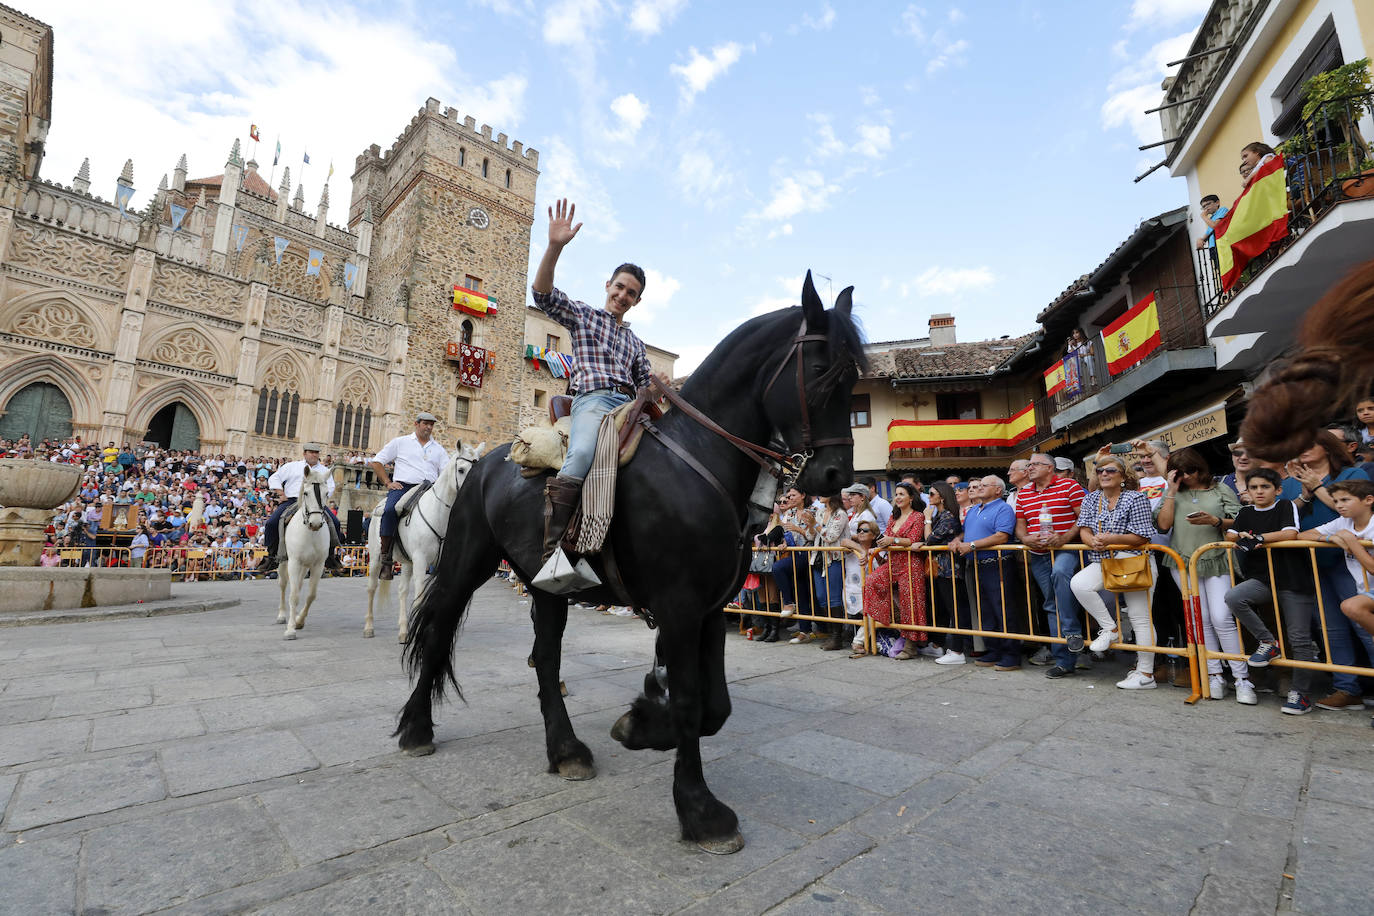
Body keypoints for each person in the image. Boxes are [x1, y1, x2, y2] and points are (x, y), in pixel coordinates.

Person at [531, 198, 656, 562]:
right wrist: (554, 246)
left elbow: (645, 383)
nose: (622, 295)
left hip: (631, 406)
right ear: (608, 285)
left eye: (631, 293)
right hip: (593, 400)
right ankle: (553, 549)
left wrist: (658, 385)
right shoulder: (586, 316)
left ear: (637, 300)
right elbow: (543, 296)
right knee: (583, 452)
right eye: (619, 287)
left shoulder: (635, 342)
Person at [1155, 448, 1251, 703]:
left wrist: (1215, 521)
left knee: (1222, 617)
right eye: (1180, 472)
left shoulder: (1220, 489)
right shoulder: (1172, 492)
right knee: (1200, 619)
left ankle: (1242, 679)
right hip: (1182, 560)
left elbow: (1241, 518)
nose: (1187, 476)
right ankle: (1214, 674)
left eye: (1191, 470)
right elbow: (1163, 525)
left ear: (1200, 468)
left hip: (1216, 558)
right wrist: (1171, 491)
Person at [1288, 429, 1371, 711]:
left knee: (1363, 625)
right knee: (1330, 628)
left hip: (1351, 564)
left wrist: (1319, 486)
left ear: (1327, 447)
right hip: (1315, 561)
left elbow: (1351, 512)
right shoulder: (1294, 481)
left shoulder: (1350, 475)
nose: (1303, 449)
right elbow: (1296, 522)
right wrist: (1305, 493)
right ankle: (1346, 688)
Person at [1223, 467, 1317, 715]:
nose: (1259, 491)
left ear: (1277, 490)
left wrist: (1259, 538)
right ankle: (1267, 641)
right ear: (1247, 491)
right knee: (1234, 597)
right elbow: (1231, 535)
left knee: (1299, 638)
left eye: (1265, 487)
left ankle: (1301, 694)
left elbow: (1290, 533)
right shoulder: (1244, 512)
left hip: (1293, 579)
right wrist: (1242, 536)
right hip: (1263, 579)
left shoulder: (1286, 506)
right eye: (1253, 487)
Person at [1069, 454, 1159, 690]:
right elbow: (1084, 530)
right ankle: (1110, 629)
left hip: (1134, 562)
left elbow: (1142, 536)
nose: (1104, 474)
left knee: (1140, 617)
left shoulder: (1136, 498)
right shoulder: (1091, 499)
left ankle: (1146, 673)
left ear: (1123, 476)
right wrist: (1093, 542)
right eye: (1100, 471)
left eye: (1110, 471)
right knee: (1079, 584)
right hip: (1104, 561)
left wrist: (1112, 539)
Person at [1299, 478, 1374, 713]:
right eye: (1337, 500)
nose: (1339, 505)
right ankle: (1349, 691)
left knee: (1352, 609)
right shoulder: (1345, 521)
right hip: (1366, 591)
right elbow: (1303, 536)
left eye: (1345, 500)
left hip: (1367, 591)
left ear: (1368, 500)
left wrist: (1352, 542)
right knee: (1352, 610)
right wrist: (1329, 538)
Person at [1015, 453, 1087, 679]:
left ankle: (1072, 633)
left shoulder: (1069, 485)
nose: (1029, 468)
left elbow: (1083, 516)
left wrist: (1064, 537)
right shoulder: (1024, 493)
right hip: (1038, 554)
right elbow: (1020, 525)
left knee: (1060, 575)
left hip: (1066, 550)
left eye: (1034, 464)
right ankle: (1064, 660)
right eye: (1028, 465)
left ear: (1050, 467)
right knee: (1050, 603)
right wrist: (1025, 539)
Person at [369, 412, 451, 580]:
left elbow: (446, 473)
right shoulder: (401, 442)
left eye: (431, 424)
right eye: (425, 424)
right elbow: (377, 462)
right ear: (416, 423)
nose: (429, 427)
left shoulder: (438, 449)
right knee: (390, 510)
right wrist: (387, 482)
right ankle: (386, 559)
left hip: (430, 489)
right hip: (403, 487)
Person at [954, 477, 1019, 670]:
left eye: (984, 485)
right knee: (985, 610)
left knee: (1003, 609)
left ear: (998, 490)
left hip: (997, 563)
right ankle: (993, 649)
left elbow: (1002, 535)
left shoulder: (1003, 508)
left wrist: (971, 545)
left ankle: (1011, 654)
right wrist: (958, 540)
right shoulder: (974, 509)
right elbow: (967, 533)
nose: (979, 488)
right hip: (977, 564)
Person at [859, 481, 928, 659]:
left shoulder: (918, 516)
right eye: (896, 494)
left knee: (911, 604)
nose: (897, 497)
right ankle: (888, 622)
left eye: (902, 494)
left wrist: (892, 541)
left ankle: (911, 645)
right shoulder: (893, 517)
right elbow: (887, 538)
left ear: (911, 498)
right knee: (872, 581)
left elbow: (913, 540)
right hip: (893, 562)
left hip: (911, 563)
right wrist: (879, 547)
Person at [257, 442, 343, 574]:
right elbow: (275, 477)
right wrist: (281, 493)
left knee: (335, 523)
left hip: (316, 503)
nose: (314, 455)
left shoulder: (324, 471)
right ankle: (272, 556)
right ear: (304, 453)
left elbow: (330, 487)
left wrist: (320, 498)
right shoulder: (292, 466)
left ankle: (330, 556)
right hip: (293, 501)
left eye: (316, 453)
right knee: (271, 523)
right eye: (311, 452)